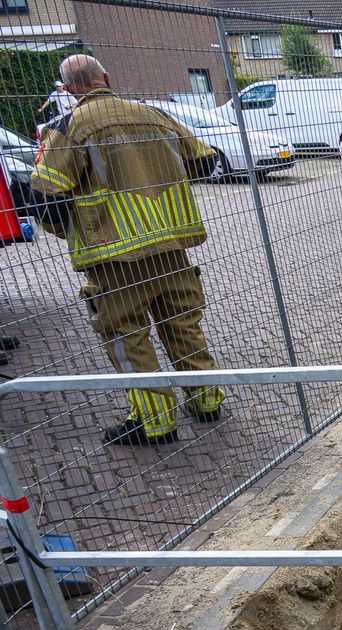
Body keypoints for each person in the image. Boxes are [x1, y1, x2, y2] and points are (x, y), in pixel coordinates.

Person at [29, 55, 226, 446]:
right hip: (171, 247)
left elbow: (44, 196)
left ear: (68, 90)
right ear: (106, 76)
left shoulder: (69, 127)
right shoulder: (152, 115)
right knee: (183, 324)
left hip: (114, 257)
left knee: (127, 335)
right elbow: (206, 160)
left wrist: (66, 227)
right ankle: (206, 401)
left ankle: (155, 423)